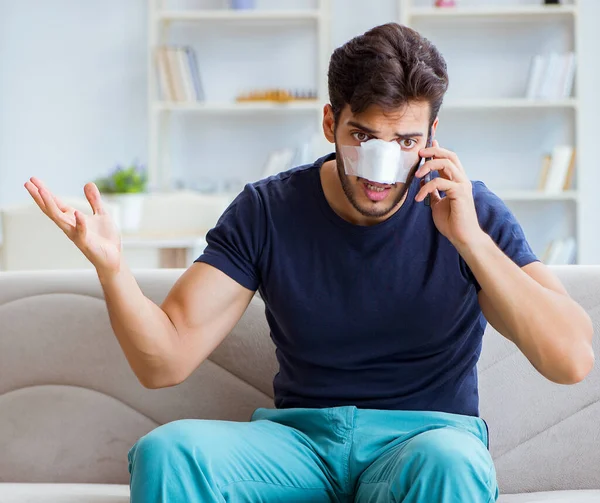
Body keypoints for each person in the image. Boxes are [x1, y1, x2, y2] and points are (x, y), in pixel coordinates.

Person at [25, 22, 593, 503]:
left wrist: (470, 241)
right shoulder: (268, 209)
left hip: (425, 442)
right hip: (299, 445)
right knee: (168, 452)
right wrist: (112, 269)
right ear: (330, 124)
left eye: (406, 142)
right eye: (363, 136)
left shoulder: (471, 210)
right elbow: (164, 360)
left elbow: (571, 360)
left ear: (434, 136)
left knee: (453, 462)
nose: (381, 171)